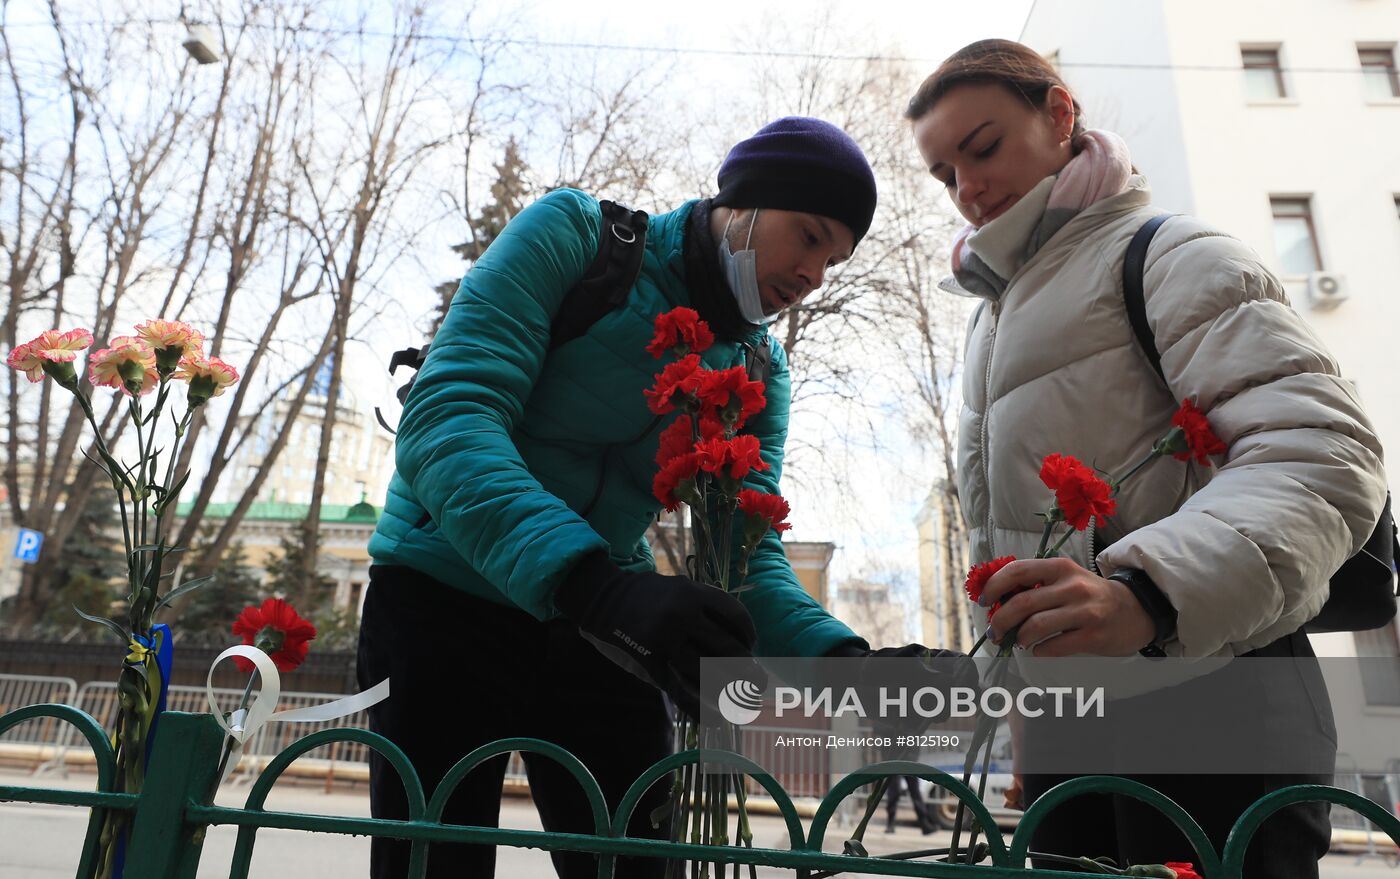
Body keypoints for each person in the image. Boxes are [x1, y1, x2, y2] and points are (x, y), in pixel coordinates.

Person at [358, 116, 970, 879]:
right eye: (808, 235)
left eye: (835, 259)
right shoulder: (575, 237)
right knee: (434, 862)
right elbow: (449, 416)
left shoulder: (759, 369)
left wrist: (840, 660)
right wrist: (593, 584)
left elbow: (743, 551)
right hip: (444, 599)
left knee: (641, 864)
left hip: (601, 621)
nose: (815, 273)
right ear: (741, 202)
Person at [906, 39, 1387, 878]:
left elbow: (1322, 452)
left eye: (981, 149)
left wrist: (1148, 592)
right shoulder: (991, 320)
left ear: (1059, 115)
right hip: (1076, 718)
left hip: (1215, 695)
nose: (969, 189)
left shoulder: (1172, 255)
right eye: (946, 176)